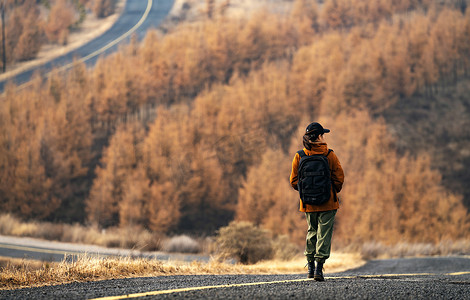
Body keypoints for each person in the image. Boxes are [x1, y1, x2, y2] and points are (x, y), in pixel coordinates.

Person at [289, 122, 344, 281]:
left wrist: (306, 191)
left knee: (311, 231)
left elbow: (293, 181)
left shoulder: (299, 155)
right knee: (324, 233)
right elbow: (339, 178)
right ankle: (319, 268)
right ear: (320, 136)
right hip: (328, 202)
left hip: (308, 203)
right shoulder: (329, 155)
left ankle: (310, 267)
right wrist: (331, 191)